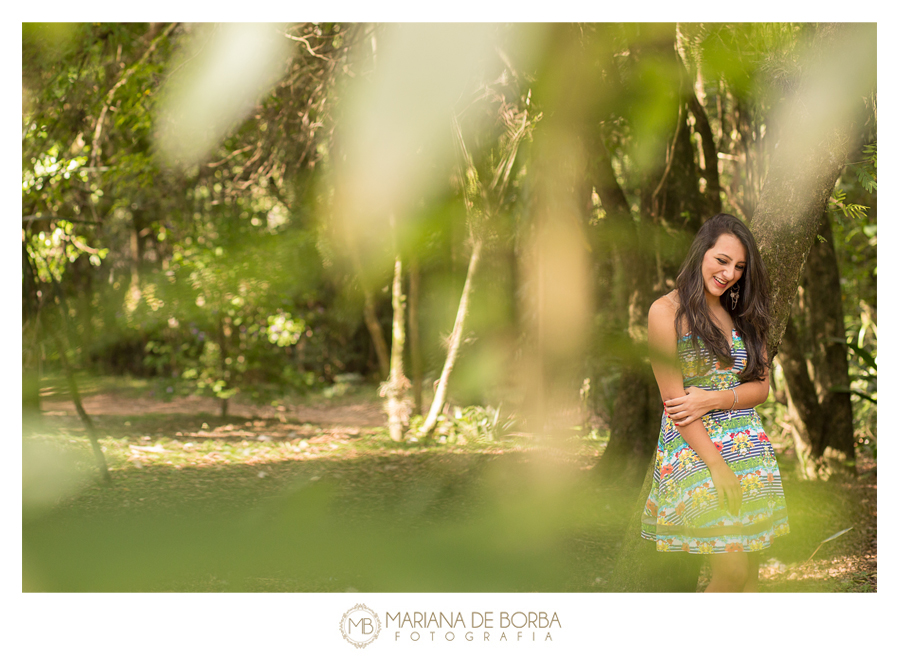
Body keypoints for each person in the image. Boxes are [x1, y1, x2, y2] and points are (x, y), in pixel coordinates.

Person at [640, 213, 789, 592]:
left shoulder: (742, 313)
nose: (729, 273)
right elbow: (675, 403)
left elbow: (760, 388)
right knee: (732, 573)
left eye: (739, 266)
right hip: (697, 450)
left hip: (750, 449)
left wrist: (713, 398)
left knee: (750, 579)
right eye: (721, 260)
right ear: (701, 254)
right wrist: (717, 465)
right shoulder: (666, 313)